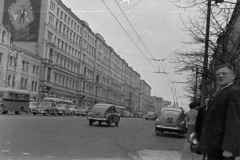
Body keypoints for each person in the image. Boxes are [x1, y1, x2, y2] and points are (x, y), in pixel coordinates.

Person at [198, 64, 240, 160]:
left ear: (233, 76)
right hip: (213, 146)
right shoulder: (222, 91)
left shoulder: (233, 92)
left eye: (224, 73)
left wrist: (229, 147)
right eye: (218, 74)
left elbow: (234, 120)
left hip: (220, 149)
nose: (220, 76)